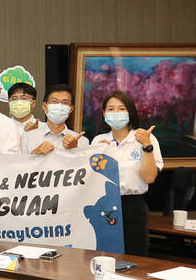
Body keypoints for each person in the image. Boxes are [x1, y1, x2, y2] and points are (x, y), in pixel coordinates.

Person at [91, 90, 162, 256]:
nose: (116, 113)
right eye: (111, 109)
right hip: (104, 206)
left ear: (130, 112)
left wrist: (146, 145)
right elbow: (91, 180)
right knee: (105, 256)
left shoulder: (146, 138)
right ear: (104, 113)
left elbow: (149, 177)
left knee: (135, 258)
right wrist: (99, 153)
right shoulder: (98, 141)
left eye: (121, 108)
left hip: (132, 207)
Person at [20, 84, 88, 154]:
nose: (59, 106)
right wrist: (35, 153)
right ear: (44, 106)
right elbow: (21, 161)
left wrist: (74, 149)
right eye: (54, 101)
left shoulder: (82, 141)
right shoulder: (27, 137)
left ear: (71, 109)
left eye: (65, 102)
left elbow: (84, 161)